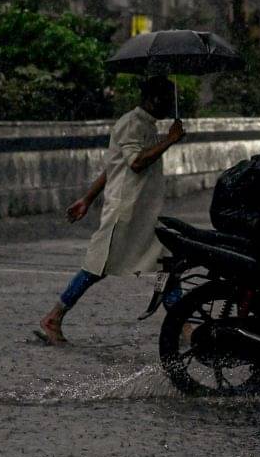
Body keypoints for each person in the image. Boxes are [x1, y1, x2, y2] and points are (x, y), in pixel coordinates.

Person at [36, 76, 185, 344]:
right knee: (96, 267)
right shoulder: (131, 124)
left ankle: (182, 325)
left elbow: (113, 168)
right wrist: (170, 140)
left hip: (143, 215)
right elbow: (136, 162)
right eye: (168, 100)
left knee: (168, 265)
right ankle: (54, 317)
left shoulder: (146, 125)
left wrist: (87, 198)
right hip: (124, 213)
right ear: (154, 99)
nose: (172, 106)